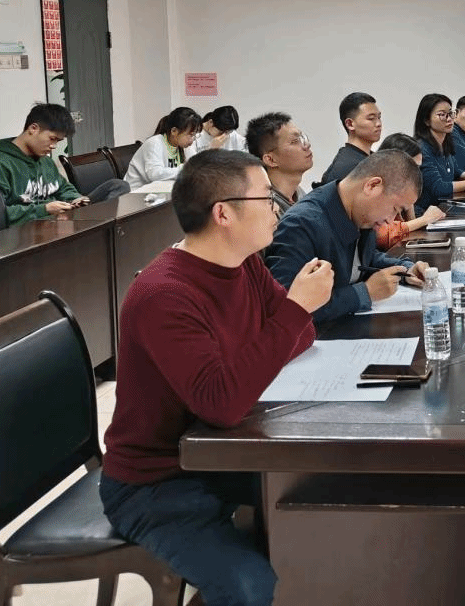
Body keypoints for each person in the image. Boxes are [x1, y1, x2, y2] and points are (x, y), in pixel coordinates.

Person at [100, 149, 335, 606]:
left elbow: (301, 335)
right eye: (266, 197)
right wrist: (294, 308)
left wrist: (289, 318)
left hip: (219, 455)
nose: (277, 208)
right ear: (223, 213)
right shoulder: (164, 295)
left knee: (325, 503)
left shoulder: (243, 262)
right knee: (249, 585)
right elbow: (223, 404)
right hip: (157, 481)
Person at [265, 150, 431, 325]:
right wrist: (365, 293)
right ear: (372, 186)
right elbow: (287, 307)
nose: (391, 220)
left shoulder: (360, 212)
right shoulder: (301, 225)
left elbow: (363, 260)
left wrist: (405, 270)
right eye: (395, 209)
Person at [0, 102, 129, 224]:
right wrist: (44, 209)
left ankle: (96, 225)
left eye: (58, 141)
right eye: (52, 139)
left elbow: (63, 187)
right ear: (33, 128)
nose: (54, 146)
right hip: (27, 230)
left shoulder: (45, 161)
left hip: (59, 221)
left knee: (117, 186)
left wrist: (75, 198)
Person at [412, 93, 465, 215]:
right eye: (442, 115)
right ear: (426, 120)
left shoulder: (445, 142)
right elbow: (439, 188)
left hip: (443, 208)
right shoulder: (421, 148)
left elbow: (456, 171)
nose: (449, 119)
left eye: (450, 113)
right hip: (425, 213)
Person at [372, 133, 447, 249]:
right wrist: (425, 219)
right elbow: (382, 235)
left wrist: (409, 202)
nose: (416, 174)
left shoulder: (399, 188)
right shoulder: (376, 187)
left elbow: (407, 229)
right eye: (412, 168)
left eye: (418, 168)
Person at [246, 111, 314, 215]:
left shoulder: (300, 196)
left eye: (302, 138)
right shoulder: (264, 209)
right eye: (295, 141)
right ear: (270, 160)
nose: (307, 145)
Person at [124, 106, 203, 189]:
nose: (192, 140)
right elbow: (154, 174)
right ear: (174, 131)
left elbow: (195, 166)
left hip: (161, 190)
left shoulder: (182, 145)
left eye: (194, 135)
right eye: (190, 135)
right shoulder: (155, 143)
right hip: (138, 192)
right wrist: (185, 169)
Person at [319, 92, 382, 186]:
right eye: (371, 118)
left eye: (379, 117)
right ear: (350, 124)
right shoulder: (346, 168)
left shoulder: (373, 159)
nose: (378, 124)